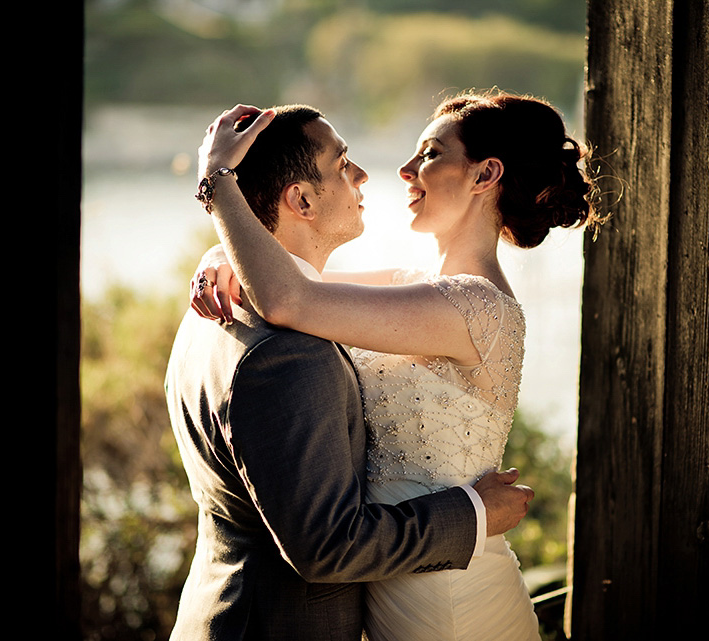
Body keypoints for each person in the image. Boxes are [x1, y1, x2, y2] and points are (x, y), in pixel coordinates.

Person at [194, 91, 602, 641]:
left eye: (430, 154)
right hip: (395, 577)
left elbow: (288, 299)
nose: (406, 171)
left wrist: (218, 180)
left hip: (448, 600)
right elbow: (288, 275)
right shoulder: (412, 287)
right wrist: (217, 256)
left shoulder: (475, 308)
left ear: (486, 175)